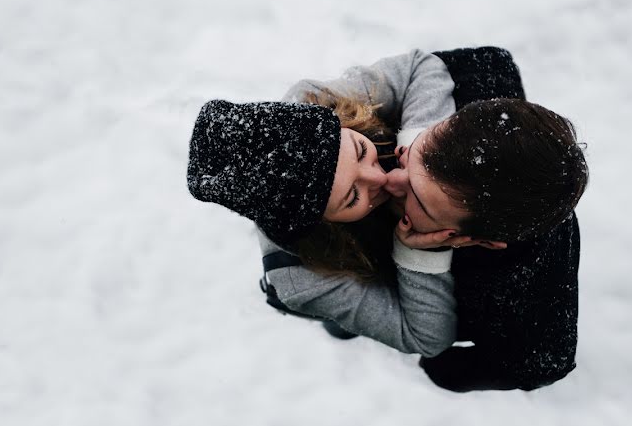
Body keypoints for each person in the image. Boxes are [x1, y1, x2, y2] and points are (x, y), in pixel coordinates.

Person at [261, 47, 589, 392]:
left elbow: (538, 364)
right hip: (329, 262)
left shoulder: (520, 307)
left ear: (470, 240)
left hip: (435, 296)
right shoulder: (485, 81)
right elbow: (450, 63)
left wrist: (419, 260)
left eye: (419, 198)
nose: (390, 180)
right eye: (415, 150)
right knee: (342, 310)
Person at [187, 88, 460, 358]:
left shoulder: (312, 98)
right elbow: (427, 337)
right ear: (323, 224)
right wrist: (420, 246)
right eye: (352, 196)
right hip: (340, 266)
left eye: (361, 149)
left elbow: (421, 67)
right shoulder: (304, 283)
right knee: (343, 321)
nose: (381, 179)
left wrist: (426, 155)